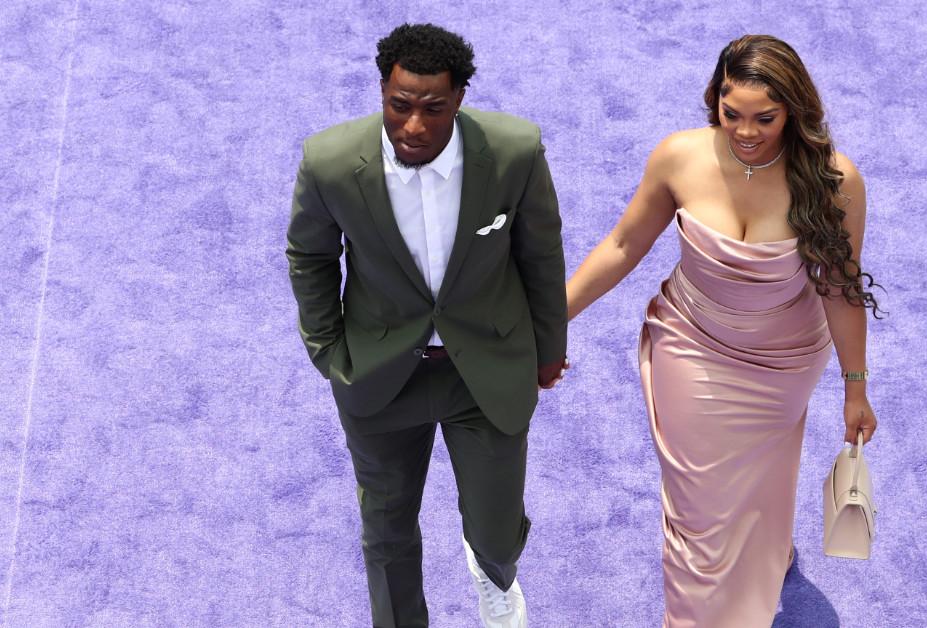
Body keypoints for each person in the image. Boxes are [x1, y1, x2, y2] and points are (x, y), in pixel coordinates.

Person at [565, 34, 881, 626]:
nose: (745, 131)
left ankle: (769, 549)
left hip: (785, 359)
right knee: (697, 514)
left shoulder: (836, 180)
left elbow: (840, 287)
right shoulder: (679, 157)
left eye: (766, 117)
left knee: (765, 473)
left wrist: (855, 387)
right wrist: (549, 320)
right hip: (692, 344)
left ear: (795, 109)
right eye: (730, 113)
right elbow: (623, 245)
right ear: (715, 97)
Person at [285, 23, 567, 628]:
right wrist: (329, 350)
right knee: (386, 532)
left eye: (433, 109)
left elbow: (540, 256)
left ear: (460, 98)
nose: (413, 126)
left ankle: (494, 575)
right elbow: (309, 257)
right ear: (382, 93)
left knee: (495, 530)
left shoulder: (515, 153)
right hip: (381, 376)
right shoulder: (330, 162)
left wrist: (548, 349)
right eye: (399, 106)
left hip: (484, 371)